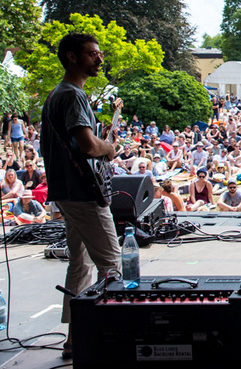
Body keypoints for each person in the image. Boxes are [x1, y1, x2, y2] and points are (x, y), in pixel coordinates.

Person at [40, 33, 121, 361]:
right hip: (82, 193)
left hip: (67, 192)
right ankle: (106, 337)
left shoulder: (57, 95)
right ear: (72, 57)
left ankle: (75, 338)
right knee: (113, 264)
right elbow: (88, 146)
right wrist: (110, 148)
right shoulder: (72, 96)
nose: (99, 59)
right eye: (92, 54)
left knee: (80, 264)